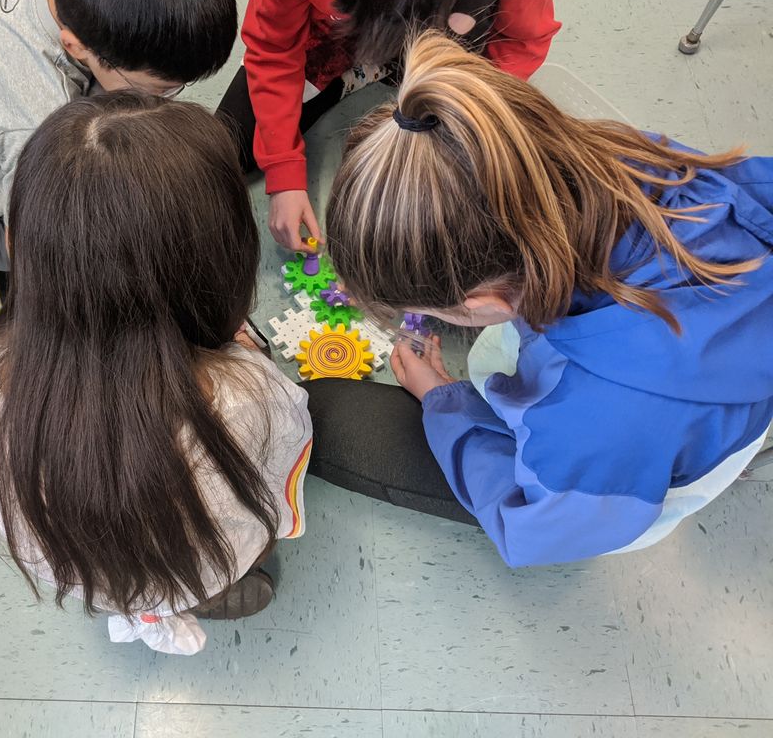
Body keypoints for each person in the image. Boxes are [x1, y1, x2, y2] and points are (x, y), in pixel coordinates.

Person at [317, 32, 773, 568]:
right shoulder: (620, 155)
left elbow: (533, 528)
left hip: (627, 487)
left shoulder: (592, 433)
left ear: (484, 302)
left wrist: (445, 401)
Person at [0, 94, 313, 654]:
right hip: (204, 555)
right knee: (233, 544)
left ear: (18, 246)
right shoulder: (250, 394)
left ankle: (144, 601)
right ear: (225, 265)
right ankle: (200, 594)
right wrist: (247, 358)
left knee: (152, 556)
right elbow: (281, 485)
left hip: (76, 568)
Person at [0, 0, 237, 319]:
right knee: (106, 247)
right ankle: (3, 277)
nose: (166, 100)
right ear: (75, 46)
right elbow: (38, 241)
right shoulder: (33, 121)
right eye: (163, 89)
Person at [218, 0, 560, 251]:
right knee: (230, 145)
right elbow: (273, 50)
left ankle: (412, 62)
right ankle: (360, 67)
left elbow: (522, 42)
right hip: (336, 31)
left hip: (447, 29)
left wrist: (466, 114)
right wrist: (283, 173)